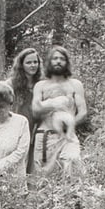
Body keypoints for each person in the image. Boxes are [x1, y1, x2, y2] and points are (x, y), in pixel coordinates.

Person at [30, 45, 87, 176]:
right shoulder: (40, 86)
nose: (58, 61)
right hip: (45, 137)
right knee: (43, 177)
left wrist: (68, 126)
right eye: (55, 58)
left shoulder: (75, 84)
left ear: (67, 62)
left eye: (62, 59)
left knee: (72, 171)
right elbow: (35, 111)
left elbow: (83, 112)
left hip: (68, 136)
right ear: (49, 62)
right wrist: (54, 105)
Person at [6, 47, 42, 174]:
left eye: (35, 62)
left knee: (34, 165)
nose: (33, 65)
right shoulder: (11, 84)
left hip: (36, 127)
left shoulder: (42, 83)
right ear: (21, 65)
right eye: (28, 62)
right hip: (17, 128)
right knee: (17, 162)